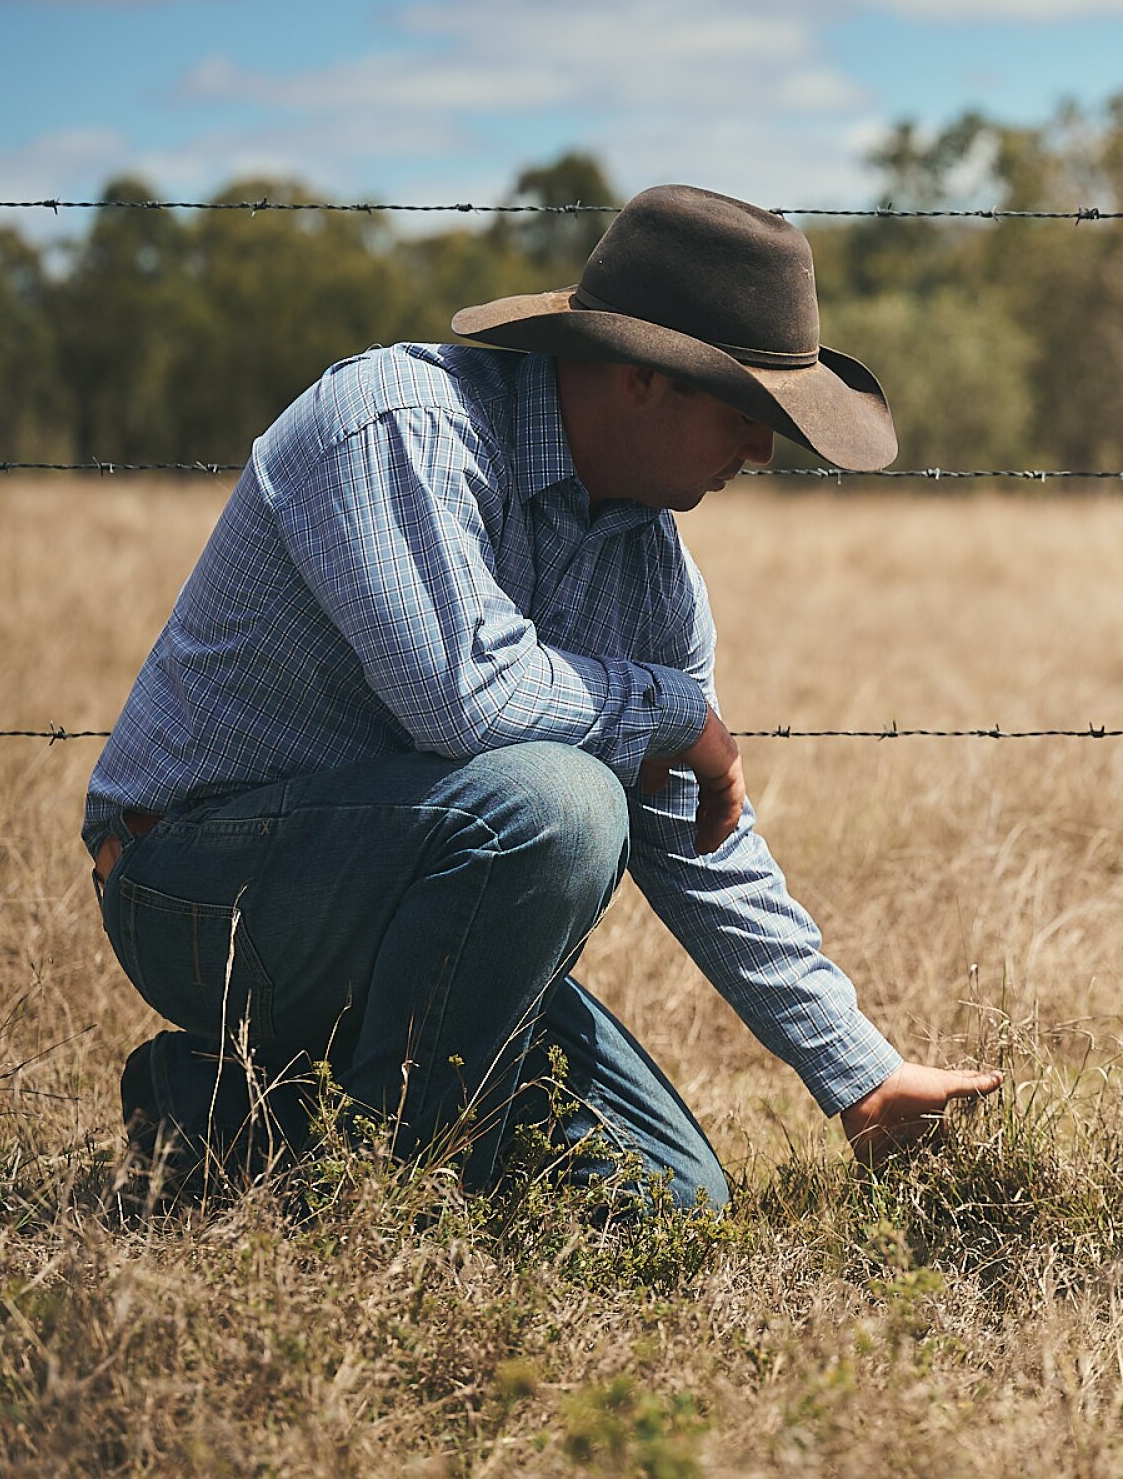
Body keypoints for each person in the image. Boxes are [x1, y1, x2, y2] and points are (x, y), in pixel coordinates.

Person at [86, 184, 999, 1211]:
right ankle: (394, 1201)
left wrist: (859, 1075)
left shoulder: (651, 569)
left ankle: (214, 1113)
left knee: (672, 1192)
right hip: (200, 893)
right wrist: (670, 708)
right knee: (564, 806)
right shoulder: (400, 426)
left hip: (414, 922)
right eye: (745, 415)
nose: (760, 451)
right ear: (641, 380)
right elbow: (465, 699)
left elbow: (695, 838)